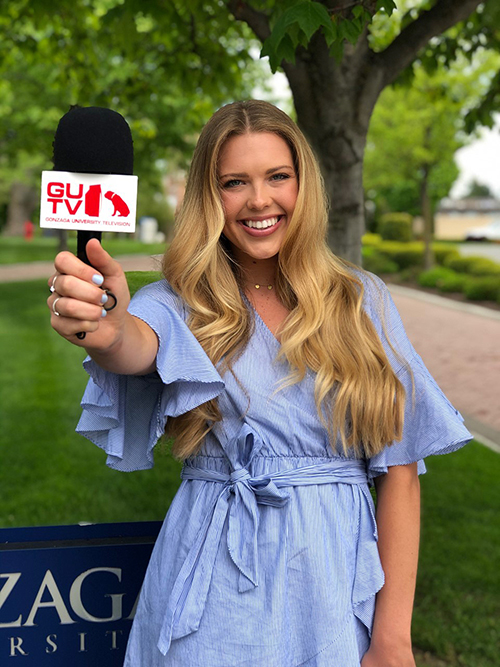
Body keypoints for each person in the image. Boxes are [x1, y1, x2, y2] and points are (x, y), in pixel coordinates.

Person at [48, 100, 471, 667]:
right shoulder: (177, 303)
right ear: (208, 195)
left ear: (304, 183)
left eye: (278, 177)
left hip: (335, 586)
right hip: (213, 590)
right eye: (234, 182)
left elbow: (400, 470)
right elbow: (136, 345)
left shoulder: (360, 300)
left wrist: (392, 638)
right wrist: (105, 326)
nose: (259, 200)